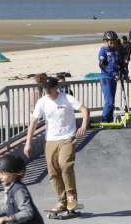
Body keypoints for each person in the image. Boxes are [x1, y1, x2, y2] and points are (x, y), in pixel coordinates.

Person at [24, 76, 90, 212]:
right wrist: (28, 143)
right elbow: (34, 122)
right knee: (53, 171)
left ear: (56, 88)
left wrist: (83, 125)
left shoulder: (66, 98)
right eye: (45, 88)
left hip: (67, 137)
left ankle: (71, 196)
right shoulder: (42, 102)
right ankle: (61, 201)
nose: (47, 90)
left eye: (50, 88)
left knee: (65, 165)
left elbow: (84, 110)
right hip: (50, 140)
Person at [98, 31, 128, 123]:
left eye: (114, 43)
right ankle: (104, 120)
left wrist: (124, 74)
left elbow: (120, 64)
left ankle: (110, 120)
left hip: (114, 79)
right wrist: (113, 74)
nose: (112, 45)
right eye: (110, 43)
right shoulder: (103, 51)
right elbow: (102, 65)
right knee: (109, 102)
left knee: (112, 102)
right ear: (105, 41)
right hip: (106, 78)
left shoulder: (115, 51)